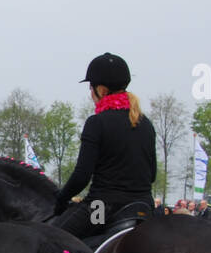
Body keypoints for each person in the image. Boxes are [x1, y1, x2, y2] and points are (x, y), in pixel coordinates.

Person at [49, 52, 157, 241]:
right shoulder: (145, 123)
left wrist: (60, 199)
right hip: (144, 208)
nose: (90, 92)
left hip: (101, 209)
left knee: (51, 241)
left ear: (101, 89)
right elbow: (152, 174)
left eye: (91, 87)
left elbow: (82, 176)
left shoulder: (97, 122)